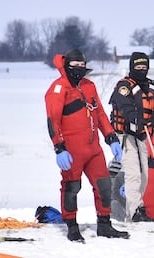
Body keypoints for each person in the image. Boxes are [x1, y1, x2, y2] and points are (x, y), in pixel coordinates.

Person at [45, 49, 129, 242]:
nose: (79, 69)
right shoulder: (58, 89)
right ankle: (72, 227)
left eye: (82, 66)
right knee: (71, 187)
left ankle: (105, 225)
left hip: (93, 149)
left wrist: (112, 139)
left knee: (104, 186)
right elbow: (53, 121)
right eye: (75, 66)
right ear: (67, 66)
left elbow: (99, 114)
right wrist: (59, 148)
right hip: (72, 150)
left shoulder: (89, 85)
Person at [109, 52, 154, 222]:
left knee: (144, 175)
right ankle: (134, 211)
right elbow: (125, 107)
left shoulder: (152, 86)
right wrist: (137, 120)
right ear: (131, 67)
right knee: (133, 173)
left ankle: (137, 207)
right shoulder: (124, 86)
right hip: (126, 135)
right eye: (138, 67)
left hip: (143, 136)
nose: (141, 70)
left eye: (144, 67)